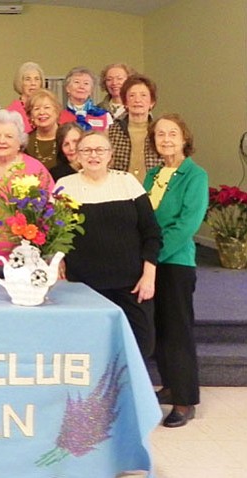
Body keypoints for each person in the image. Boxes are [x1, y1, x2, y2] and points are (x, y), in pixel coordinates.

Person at [57, 131, 161, 359]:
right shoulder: (64, 186)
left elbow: (152, 232)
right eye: (86, 150)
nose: (93, 155)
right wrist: (58, 259)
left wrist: (149, 274)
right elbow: (56, 232)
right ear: (78, 155)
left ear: (110, 155)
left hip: (131, 283)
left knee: (142, 344)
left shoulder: (127, 183)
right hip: (84, 285)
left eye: (100, 150)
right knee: (91, 347)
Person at [144, 114, 208, 428]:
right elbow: (142, 217)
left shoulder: (194, 175)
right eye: (160, 135)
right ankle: (169, 383)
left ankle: (184, 400)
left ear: (184, 138)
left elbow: (187, 225)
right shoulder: (153, 174)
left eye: (172, 134)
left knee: (178, 330)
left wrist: (152, 256)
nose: (166, 139)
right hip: (150, 262)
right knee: (159, 328)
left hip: (176, 262)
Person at [0, 109, 54, 278]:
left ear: (20, 141)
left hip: (26, 253)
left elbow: (52, 207)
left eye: (9, 136)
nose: (1, 141)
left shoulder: (34, 168)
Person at [109, 74, 161, 183]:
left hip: (154, 191)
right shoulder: (111, 131)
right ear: (125, 102)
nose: (137, 100)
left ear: (152, 102)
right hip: (121, 191)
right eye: (132, 95)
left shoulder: (160, 131)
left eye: (143, 95)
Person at [58, 66, 112, 132]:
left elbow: (105, 140)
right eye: (77, 82)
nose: (81, 86)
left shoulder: (103, 115)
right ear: (67, 88)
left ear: (91, 90)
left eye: (86, 83)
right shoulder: (58, 115)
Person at [23, 89, 62, 169]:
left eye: (47, 107)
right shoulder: (25, 142)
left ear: (57, 111)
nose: (42, 112)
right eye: (36, 109)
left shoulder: (68, 137)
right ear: (30, 115)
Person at [7, 61, 45, 133]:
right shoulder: (11, 112)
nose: (33, 83)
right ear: (20, 83)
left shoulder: (47, 109)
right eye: (28, 79)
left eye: (37, 79)